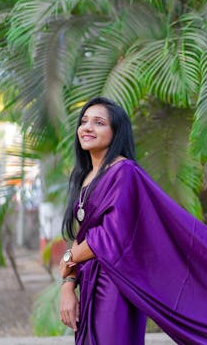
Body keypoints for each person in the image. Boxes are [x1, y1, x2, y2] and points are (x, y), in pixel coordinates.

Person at [58, 97, 147, 344]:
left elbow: (112, 235)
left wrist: (69, 258)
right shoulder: (84, 175)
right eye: (84, 121)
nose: (87, 127)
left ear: (116, 132)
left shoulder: (125, 172)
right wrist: (68, 284)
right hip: (88, 280)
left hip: (116, 284)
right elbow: (81, 236)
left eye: (99, 123)